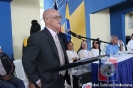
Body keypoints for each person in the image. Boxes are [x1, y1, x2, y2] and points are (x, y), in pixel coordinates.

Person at [22, 9, 70, 88]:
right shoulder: (37, 38)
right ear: (47, 20)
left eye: (60, 17)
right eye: (56, 17)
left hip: (61, 79)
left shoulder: (58, 36)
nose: (59, 19)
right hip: (46, 82)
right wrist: (36, 80)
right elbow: (27, 61)